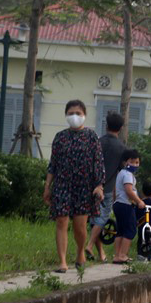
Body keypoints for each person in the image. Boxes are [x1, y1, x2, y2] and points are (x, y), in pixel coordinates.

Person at [43, 100, 105, 273]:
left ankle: (80, 252)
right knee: (61, 221)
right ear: (65, 115)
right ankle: (62, 261)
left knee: (80, 225)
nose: (74, 116)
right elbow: (52, 164)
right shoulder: (60, 137)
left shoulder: (91, 137)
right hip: (62, 184)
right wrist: (47, 186)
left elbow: (98, 163)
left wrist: (99, 185)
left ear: (84, 115)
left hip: (83, 187)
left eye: (78, 113)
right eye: (71, 113)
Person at [85, 111, 125, 262]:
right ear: (120, 128)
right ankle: (89, 245)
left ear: (106, 125)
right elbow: (121, 170)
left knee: (95, 220)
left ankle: (101, 254)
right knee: (102, 219)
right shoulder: (121, 148)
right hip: (107, 187)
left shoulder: (97, 142)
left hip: (91, 186)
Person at [112, 149, 146, 263]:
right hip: (126, 204)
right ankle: (122, 255)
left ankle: (117, 255)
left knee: (120, 231)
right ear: (125, 162)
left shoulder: (121, 173)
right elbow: (129, 191)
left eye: (137, 162)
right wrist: (139, 201)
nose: (135, 165)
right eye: (132, 162)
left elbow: (115, 190)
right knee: (131, 230)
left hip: (118, 204)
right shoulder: (127, 175)